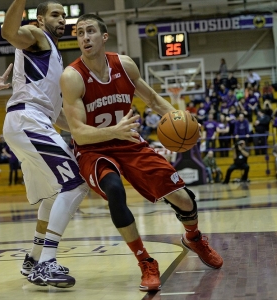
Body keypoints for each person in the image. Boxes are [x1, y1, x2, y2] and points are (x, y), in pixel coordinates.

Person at [60, 13, 223, 292]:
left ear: (104, 36)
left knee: (184, 199)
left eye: (90, 31)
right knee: (114, 188)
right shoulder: (72, 77)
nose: (84, 37)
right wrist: (114, 131)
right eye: (79, 33)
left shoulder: (124, 65)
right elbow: (77, 132)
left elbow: (152, 98)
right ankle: (145, 261)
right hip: (92, 148)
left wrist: (182, 120)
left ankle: (193, 238)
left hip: (127, 142)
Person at [1, 0, 89, 288]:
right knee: (75, 184)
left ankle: (34, 259)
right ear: (40, 19)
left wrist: (85, 131)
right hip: (28, 120)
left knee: (53, 195)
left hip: (32, 121)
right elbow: (9, 32)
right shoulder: (37, 36)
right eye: (55, 14)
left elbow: (59, 115)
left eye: (64, 15)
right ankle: (47, 263)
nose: (62, 19)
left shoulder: (51, 52)